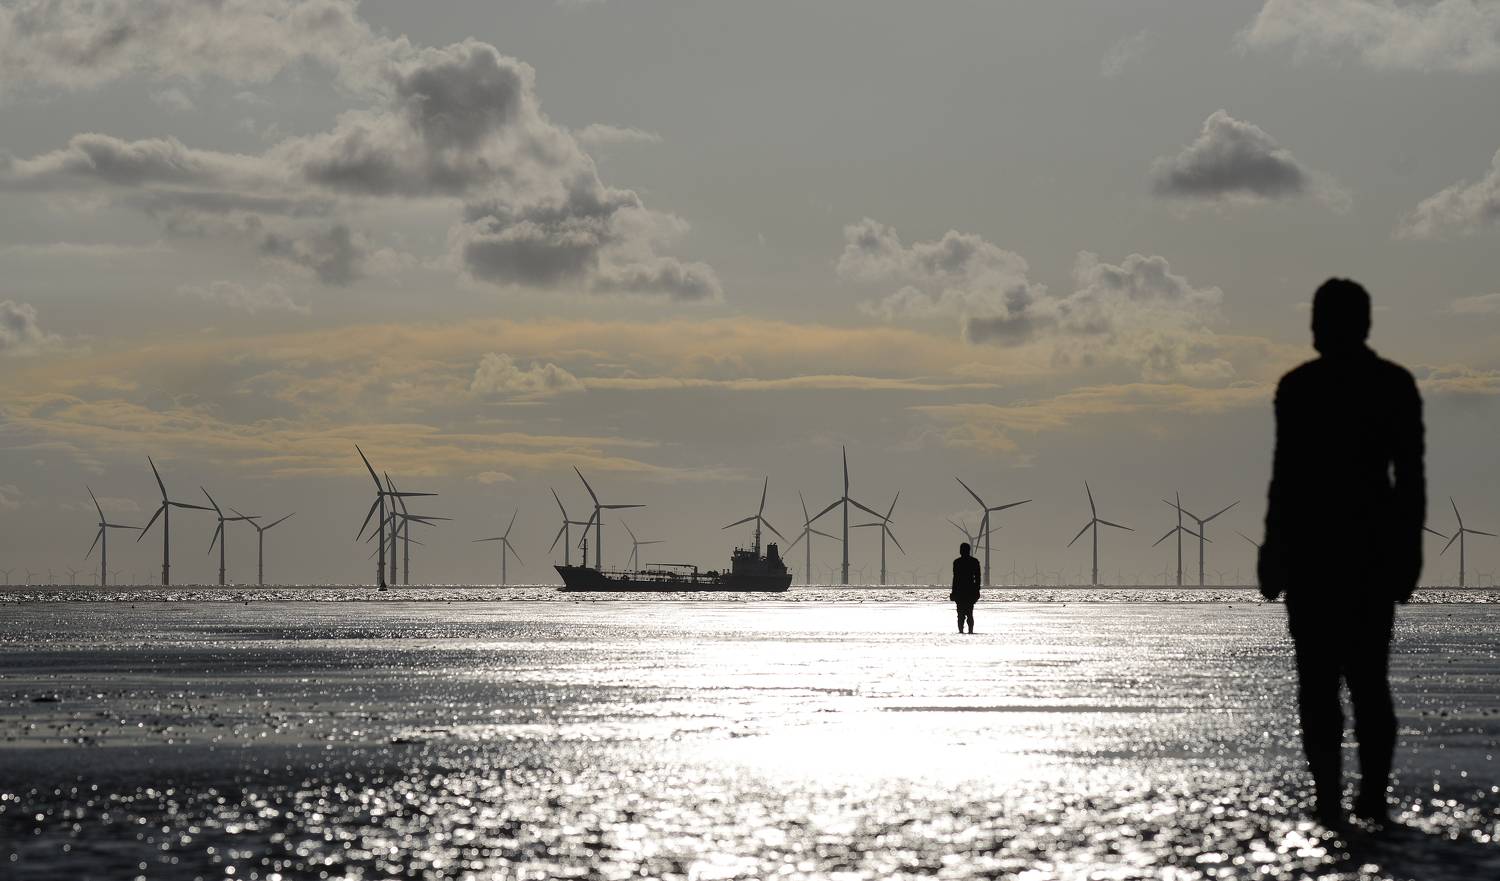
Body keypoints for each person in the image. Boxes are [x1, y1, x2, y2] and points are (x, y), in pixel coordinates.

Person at [1258, 278, 1425, 827]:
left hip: (1319, 555)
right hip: (1367, 554)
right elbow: (1411, 482)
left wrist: (1273, 548)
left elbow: (1285, 480)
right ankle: (1362, 798)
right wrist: (1408, 551)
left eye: (1321, 317)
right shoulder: (1392, 384)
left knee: (1326, 683)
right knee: (1363, 681)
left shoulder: (1301, 387)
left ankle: (1337, 799)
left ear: (1346, 323)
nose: (1314, 327)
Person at [950, 542, 982, 633]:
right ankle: (970, 632)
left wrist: (953, 592)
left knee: (961, 615)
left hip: (961, 591)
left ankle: (962, 632)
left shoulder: (957, 562)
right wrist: (977, 591)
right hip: (969, 591)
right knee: (968, 613)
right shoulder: (974, 562)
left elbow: (955, 579)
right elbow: (978, 578)